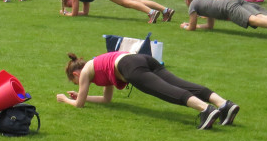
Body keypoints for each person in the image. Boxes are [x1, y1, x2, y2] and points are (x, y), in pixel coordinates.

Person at [55, 51, 239, 130]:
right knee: (181, 83)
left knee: (165, 90)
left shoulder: (87, 71)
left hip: (129, 66)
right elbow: (106, 100)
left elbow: (78, 106)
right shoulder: (99, 66)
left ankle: (205, 110)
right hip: (141, 59)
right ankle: (223, 104)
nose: (79, 84)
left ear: (76, 73)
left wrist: (66, 99)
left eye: (75, 81)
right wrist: (83, 96)